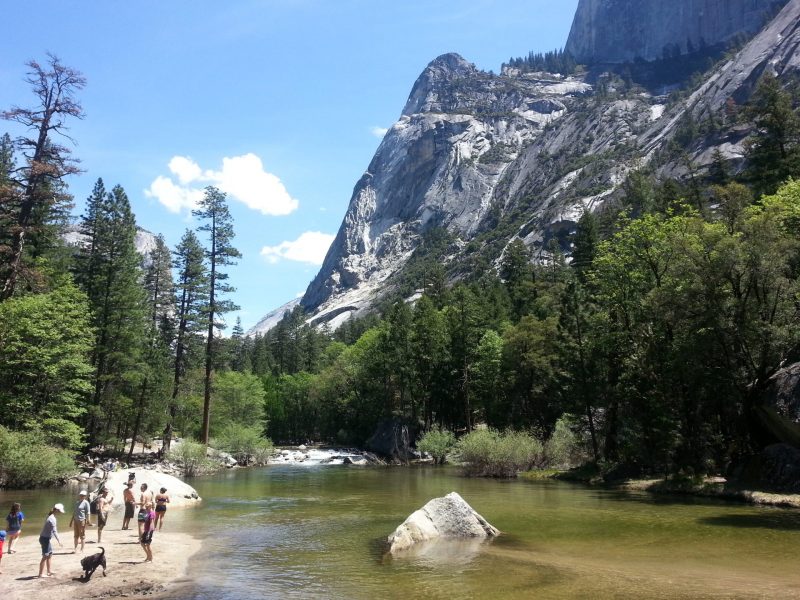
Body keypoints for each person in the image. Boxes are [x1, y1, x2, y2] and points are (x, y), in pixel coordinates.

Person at [38, 503, 64, 578]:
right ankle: (40, 574)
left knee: (50, 554)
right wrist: (59, 541)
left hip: (45, 538)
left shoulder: (51, 516)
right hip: (44, 539)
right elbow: (54, 531)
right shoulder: (52, 519)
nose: (61, 513)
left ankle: (49, 571)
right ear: (57, 510)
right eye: (60, 511)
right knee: (45, 556)